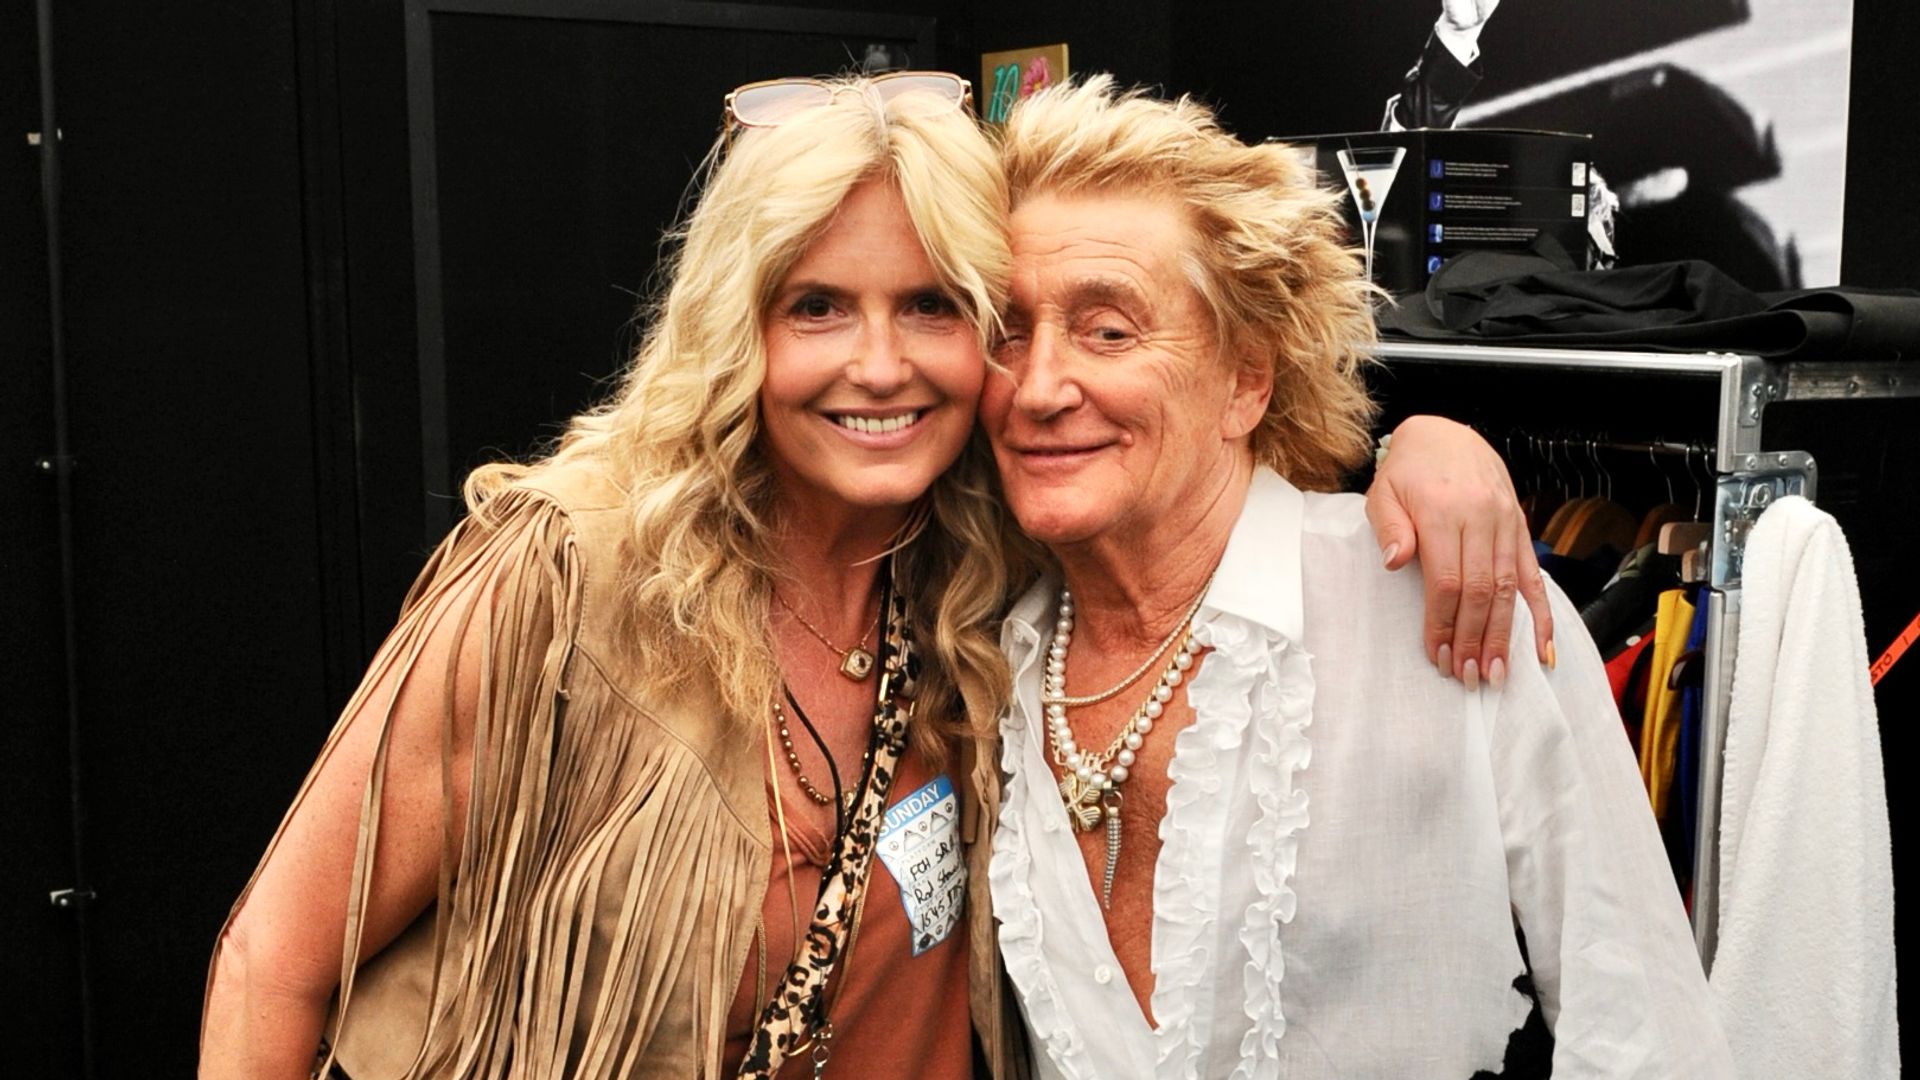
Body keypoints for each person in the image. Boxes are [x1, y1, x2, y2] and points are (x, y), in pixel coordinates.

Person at [200, 73, 1542, 1079]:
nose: (881, 364)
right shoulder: (570, 589)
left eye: (936, 308)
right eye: (818, 306)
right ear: (739, 328)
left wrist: (1433, 446)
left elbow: (1202, 476)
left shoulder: (990, 585)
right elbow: (274, 960)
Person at [983, 77, 1734, 1078]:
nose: (1037, 387)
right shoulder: (982, 658)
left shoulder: (1451, 609)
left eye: (1110, 330)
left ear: (1247, 379)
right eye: (1006, 330)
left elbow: (1645, 1039)